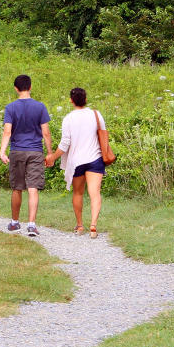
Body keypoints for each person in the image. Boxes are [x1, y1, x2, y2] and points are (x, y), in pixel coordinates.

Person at [45, 87, 106, 238]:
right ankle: (93, 225)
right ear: (85, 99)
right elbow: (104, 135)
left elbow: (65, 144)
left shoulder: (68, 118)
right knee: (95, 193)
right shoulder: (96, 114)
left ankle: (79, 226)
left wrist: (52, 157)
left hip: (77, 162)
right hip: (95, 158)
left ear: (71, 100)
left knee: (78, 192)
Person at [0, 74, 51, 236]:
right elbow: (46, 133)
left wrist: (2, 151)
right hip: (35, 150)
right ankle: (31, 225)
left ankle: (15, 222)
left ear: (16, 88)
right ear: (30, 87)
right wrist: (49, 152)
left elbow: (7, 131)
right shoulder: (40, 106)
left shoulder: (11, 108)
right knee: (33, 188)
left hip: (17, 150)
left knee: (17, 188)